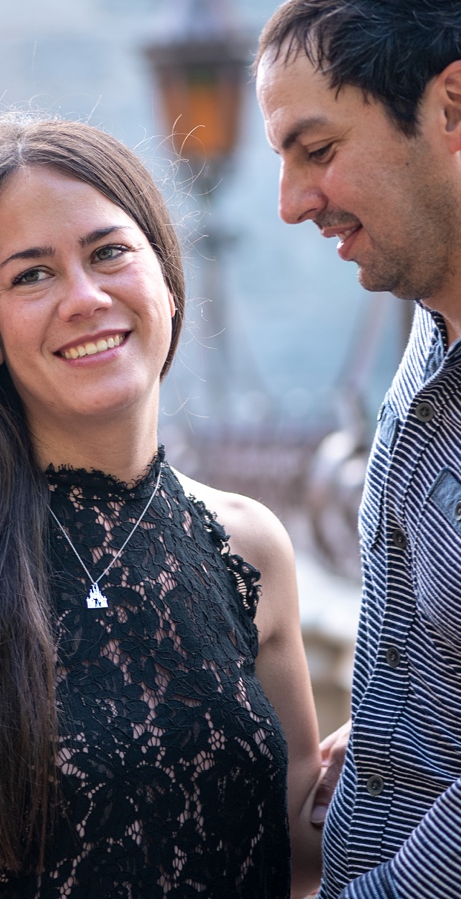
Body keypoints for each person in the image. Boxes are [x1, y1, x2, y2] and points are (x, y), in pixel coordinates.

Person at [0, 114, 323, 898]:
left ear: (167, 283)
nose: (83, 297)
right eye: (31, 274)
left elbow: (303, 863)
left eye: (109, 252)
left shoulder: (253, 548)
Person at [256, 1, 461, 896]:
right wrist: (390, 723)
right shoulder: (428, 327)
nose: (292, 203)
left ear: (452, 109)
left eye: (318, 149)